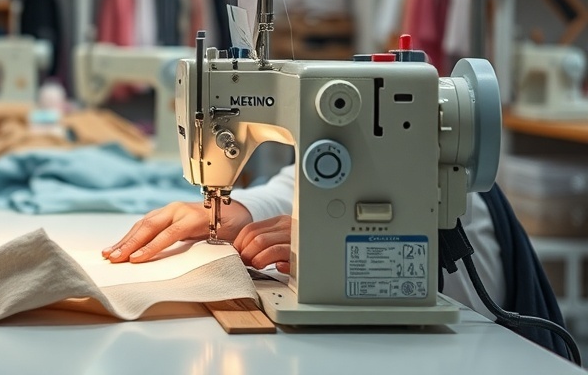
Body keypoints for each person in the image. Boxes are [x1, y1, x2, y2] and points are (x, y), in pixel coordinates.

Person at [102, 162, 506, 320]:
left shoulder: (454, 194)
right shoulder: (364, 156)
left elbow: (471, 314)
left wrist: (338, 247)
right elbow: (296, 184)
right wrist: (240, 207)